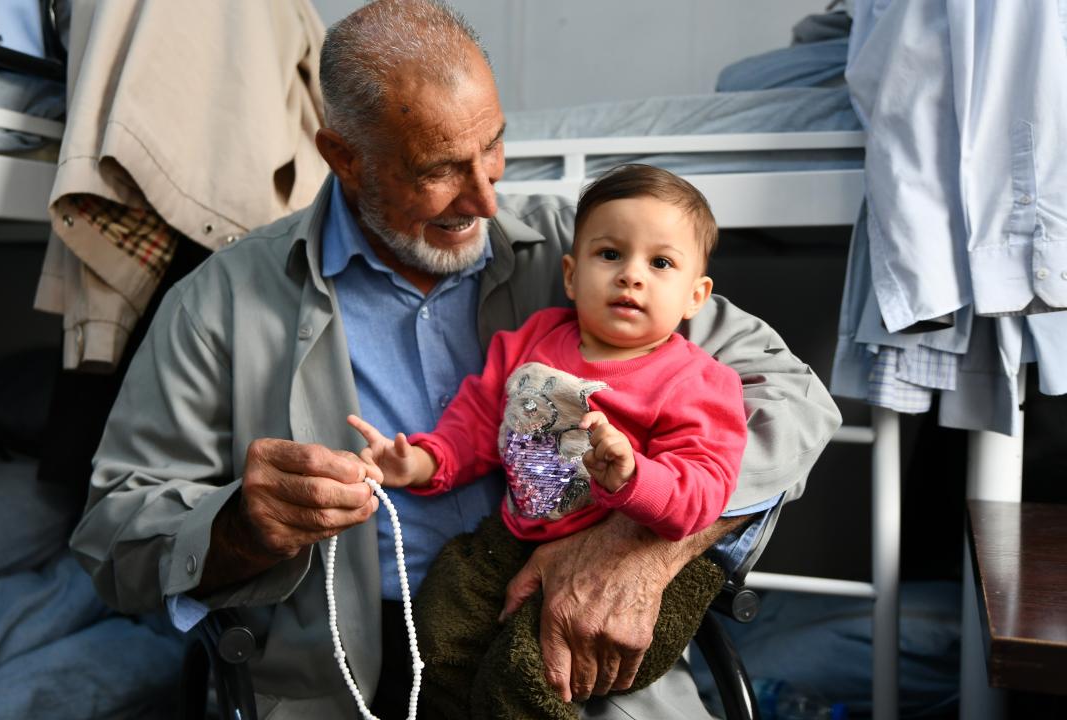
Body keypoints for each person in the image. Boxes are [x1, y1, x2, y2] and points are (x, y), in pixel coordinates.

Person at [69, 1, 842, 718]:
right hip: (346, 680)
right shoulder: (222, 302)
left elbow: (795, 397)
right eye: (440, 168)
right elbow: (114, 536)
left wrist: (638, 545)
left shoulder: (584, 257)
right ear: (344, 155)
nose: (485, 198)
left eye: (494, 146)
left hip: (573, 654)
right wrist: (241, 524)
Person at [348, 163, 748, 717]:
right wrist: (419, 461)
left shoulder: (699, 382)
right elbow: (477, 421)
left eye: (660, 263)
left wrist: (636, 476)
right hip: (514, 533)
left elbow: (705, 492)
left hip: (636, 548)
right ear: (570, 273)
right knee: (437, 627)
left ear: (695, 296)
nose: (631, 276)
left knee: (528, 677)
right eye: (609, 254)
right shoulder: (532, 341)